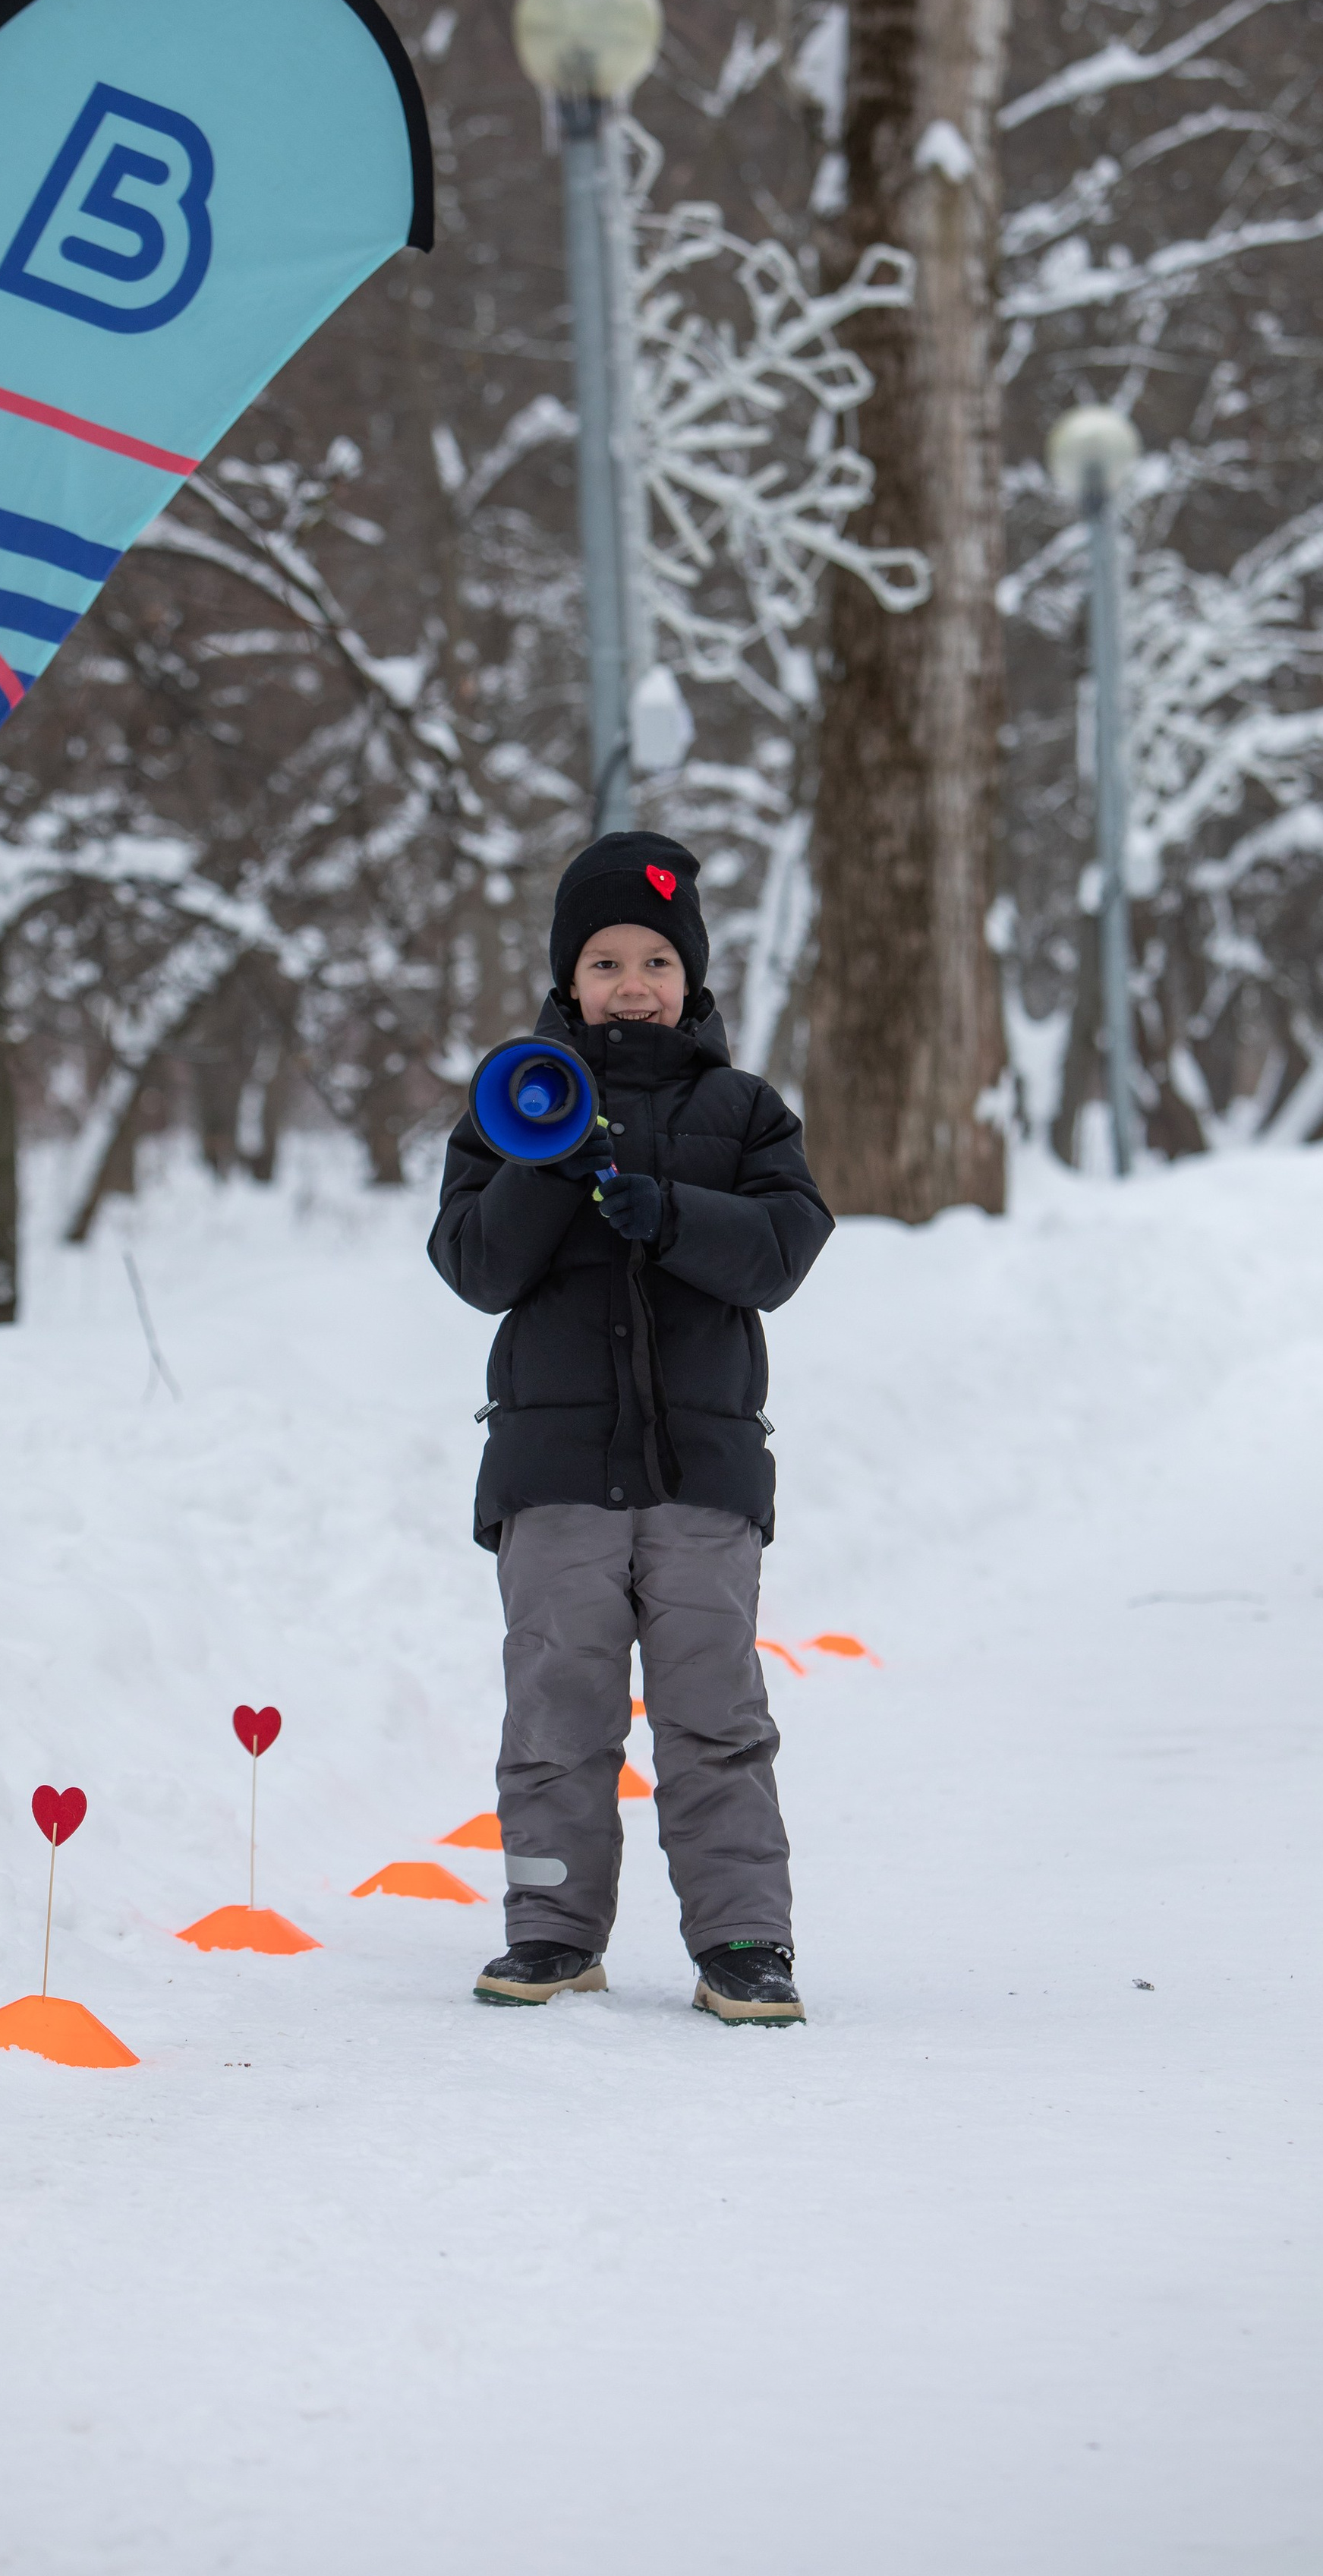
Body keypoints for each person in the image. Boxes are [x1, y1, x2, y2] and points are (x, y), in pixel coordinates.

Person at [428, 831, 833, 2023]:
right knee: (557, 1707)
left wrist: (668, 1214)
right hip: (553, 1470)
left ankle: (745, 1939)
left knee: (715, 1714)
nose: (632, 983)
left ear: (694, 978)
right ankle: (552, 1929)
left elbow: (781, 1252)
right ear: (569, 981)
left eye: (657, 959)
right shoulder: (512, 1102)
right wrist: (548, 1157)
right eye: (604, 961)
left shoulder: (746, 1113)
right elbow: (476, 1264)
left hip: (703, 1472)